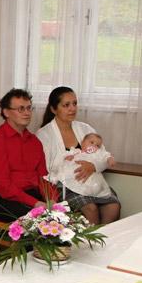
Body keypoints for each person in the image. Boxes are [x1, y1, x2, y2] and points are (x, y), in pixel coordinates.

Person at [36, 86, 121, 224]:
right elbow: (46, 168)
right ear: (53, 109)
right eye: (66, 105)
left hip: (92, 182)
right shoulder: (44, 135)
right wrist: (71, 161)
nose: (72, 108)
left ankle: (105, 237)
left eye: (74, 103)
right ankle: (91, 238)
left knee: (113, 207)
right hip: (65, 185)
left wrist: (93, 166)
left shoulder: (85, 128)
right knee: (90, 208)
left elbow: (102, 154)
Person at [0, 88, 58, 221]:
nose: (27, 113)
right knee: (42, 220)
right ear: (6, 112)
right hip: (2, 198)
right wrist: (35, 203)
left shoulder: (34, 141)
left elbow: (43, 177)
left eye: (29, 108)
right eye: (21, 109)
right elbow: (3, 186)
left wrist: (52, 199)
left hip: (31, 195)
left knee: (62, 215)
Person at [50, 133, 116, 200]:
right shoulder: (76, 152)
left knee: (94, 186)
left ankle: (91, 193)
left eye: (97, 146)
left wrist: (110, 159)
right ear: (82, 143)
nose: (94, 146)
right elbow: (63, 158)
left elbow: (105, 155)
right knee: (70, 178)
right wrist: (68, 158)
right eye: (91, 142)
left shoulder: (97, 153)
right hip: (75, 176)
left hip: (91, 178)